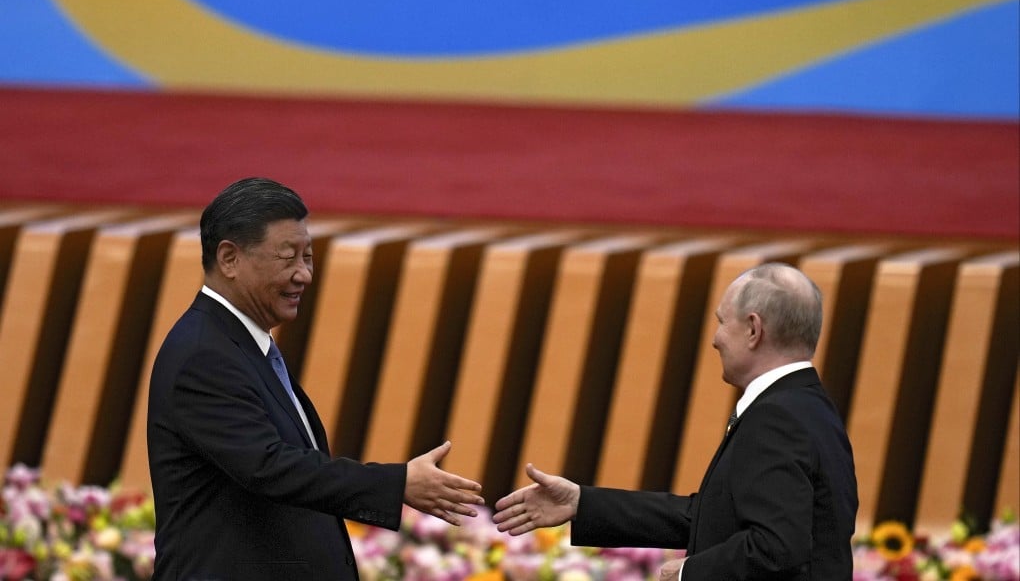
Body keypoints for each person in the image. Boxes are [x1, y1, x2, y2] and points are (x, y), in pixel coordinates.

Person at [147, 177, 484, 581]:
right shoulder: (203, 353)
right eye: (287, 258)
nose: (303, 275)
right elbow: (270, 467)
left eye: (307, 257)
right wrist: (397, 484)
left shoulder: (242, 343)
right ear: (229, 259)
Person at [493, 263, 858, 580]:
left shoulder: (778, 417)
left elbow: (777, 547)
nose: (715, 339)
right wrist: (582, 503)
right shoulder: (809, 406)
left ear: (753, 329)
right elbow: (713, 516)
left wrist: (688, 573)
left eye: (721, 322)